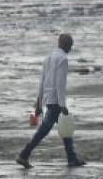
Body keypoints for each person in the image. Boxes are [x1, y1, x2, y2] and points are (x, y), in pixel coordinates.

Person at [16, 33, 85, 169]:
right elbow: (60, 84)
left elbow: (42, 81)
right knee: (45, 130)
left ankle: (72, 158)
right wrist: (62, 104)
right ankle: (24, 154)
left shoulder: (48, 57)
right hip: (56, 102)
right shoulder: (63, 59)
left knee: (66, 129)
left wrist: (39, 102)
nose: (71, 49)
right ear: (66, 45)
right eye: (70, 46)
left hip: (49, 99)